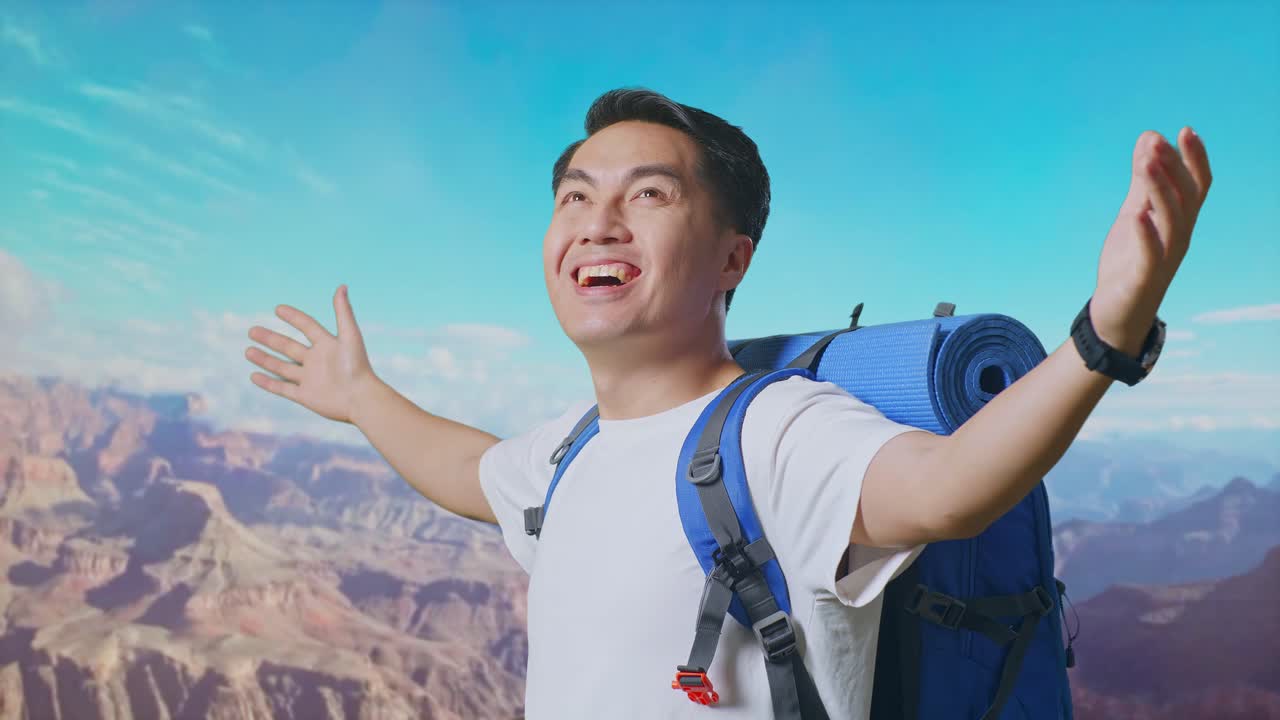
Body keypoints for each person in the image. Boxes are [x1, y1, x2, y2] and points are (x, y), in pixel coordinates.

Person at [245, 88, 1212, 719]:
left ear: (732, 257)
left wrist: (1104, 336)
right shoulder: (573, 449)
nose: (598, 224)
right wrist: (361, 398)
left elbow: (949, 488)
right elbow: (467, 470)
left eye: (649, 196)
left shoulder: (775, 431)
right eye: (575, 198)